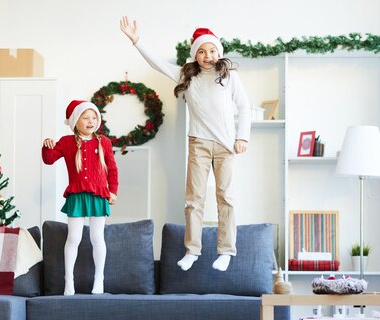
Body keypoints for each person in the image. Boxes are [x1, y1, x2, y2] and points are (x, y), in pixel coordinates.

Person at [120, 16, 251, 272]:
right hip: (199, 143)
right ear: (195, 55)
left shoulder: (229, 76)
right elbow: (157, 64)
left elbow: (244, 106)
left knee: (226, 197)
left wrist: (242, 137)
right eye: (202, 51)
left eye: (212, 50)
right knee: (194, 199)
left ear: (219, 52)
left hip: (225, 146)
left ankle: (225, 251)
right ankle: (192, 250)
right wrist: (137, 42)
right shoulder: (186, 75)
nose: (208, 55)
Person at [42, 100, 118, 295]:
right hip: (76, 195)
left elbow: (112, 169)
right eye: (85, 117)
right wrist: (47, 145)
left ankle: (99, 280)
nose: (90, 121)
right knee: (74, 237)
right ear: (76, 121)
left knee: (97, 237)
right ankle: (69, 281)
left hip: (99, 195)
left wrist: (113, 191)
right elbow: (49, 160)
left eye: (94, 117)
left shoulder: (104, 143)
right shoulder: (67, 142)